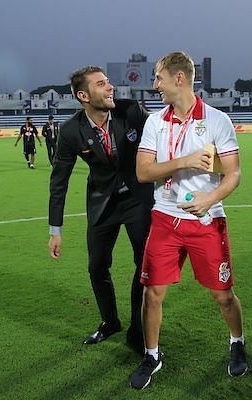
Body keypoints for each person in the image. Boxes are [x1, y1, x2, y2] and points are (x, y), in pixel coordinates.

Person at [129, 51, 248, 390]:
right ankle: (152, 354)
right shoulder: (155, 122)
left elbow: (234, 174)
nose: (155, 85)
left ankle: (237, 342)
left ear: (178, 78)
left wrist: (210, 200)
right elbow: (142, 172)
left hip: (207, 220)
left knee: (223, 296)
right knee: (152, 292)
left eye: (159, 78)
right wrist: (185, 160)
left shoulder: (216, 120)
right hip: (165, 219)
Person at [48, 66, 153, 353]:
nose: (110, 88)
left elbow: (163, 135)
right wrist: (55, 230)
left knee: (143, 264)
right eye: (101, 84)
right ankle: (110, 322)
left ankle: (138, 329)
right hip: (102, 203)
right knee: (96, 267)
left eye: (108, 82)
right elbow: (59, 180)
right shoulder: (71, 131)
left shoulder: (130, 111)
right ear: (83, 95)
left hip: (137, 200)